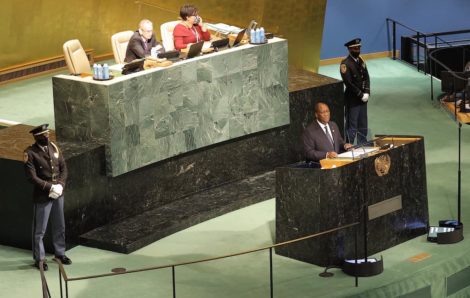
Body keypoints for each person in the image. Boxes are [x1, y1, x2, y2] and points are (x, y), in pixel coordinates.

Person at [24, 124, 72, 271]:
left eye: (47, 133)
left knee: (60, 225)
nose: (47, 136)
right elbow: (31, 177)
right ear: (37, 136)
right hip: (43, 196)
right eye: (44, 134)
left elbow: (63, 167)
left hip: (58, 193)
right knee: (40, 230)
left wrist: (60, 185)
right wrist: (49, 187)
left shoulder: (54, 147)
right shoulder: (30, 153)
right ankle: (39, 259)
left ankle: (60, 253)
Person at [340, 38, 370, 145]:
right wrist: (360, 94)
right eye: (355, 49)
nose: (358, 50)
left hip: (363, 99)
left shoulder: (361, 60)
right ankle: (349, 146)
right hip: (353, 100)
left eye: (359, 48)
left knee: (363, 123)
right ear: (349, 49)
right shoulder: (345, 64)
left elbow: (366, 77)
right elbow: (349, 83)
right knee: (351, 125)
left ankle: (363, 143)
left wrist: (367, 92)